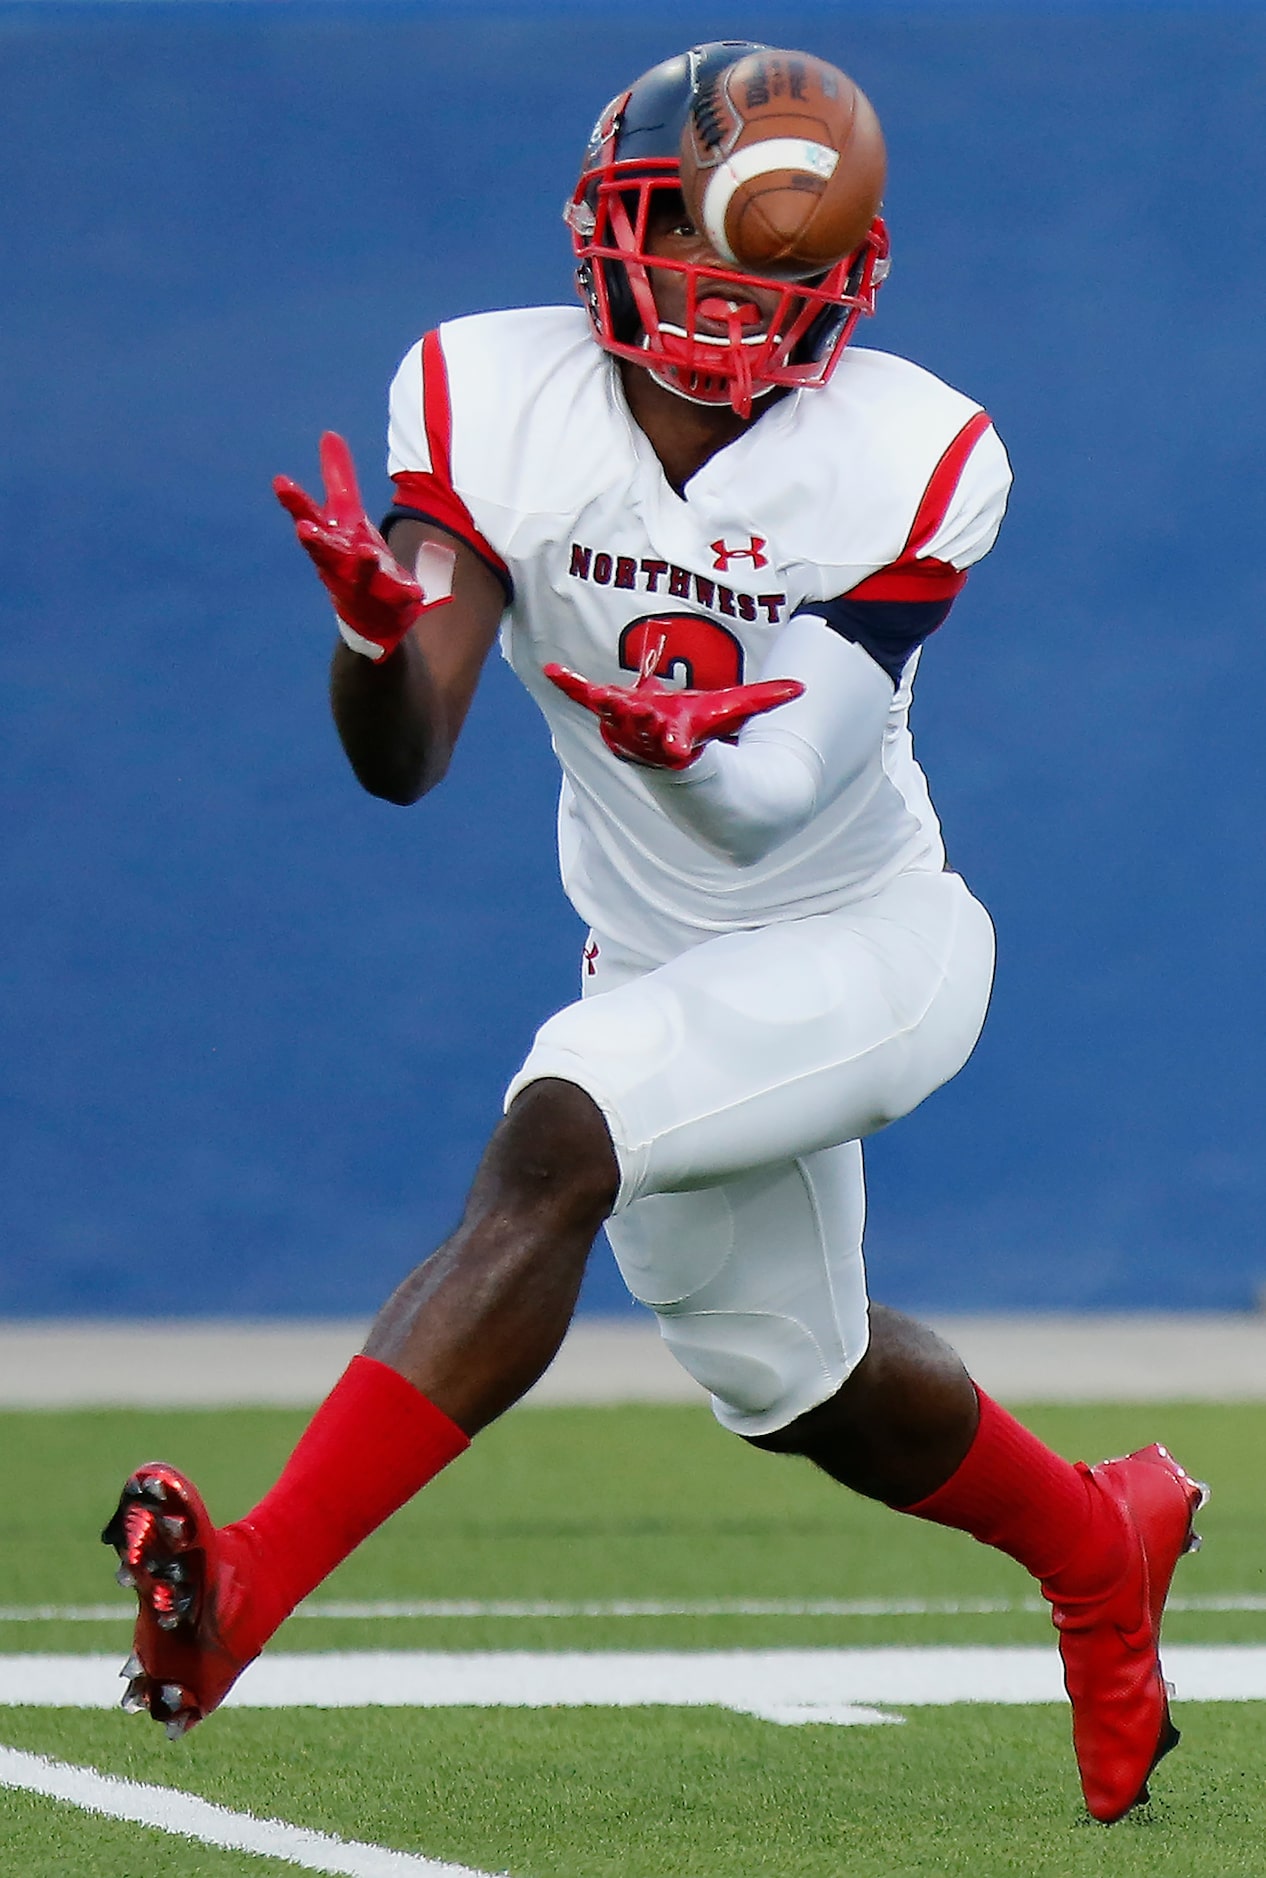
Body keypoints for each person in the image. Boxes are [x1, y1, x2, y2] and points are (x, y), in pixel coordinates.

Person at [103, 40, 1205, 1825]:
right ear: (602, 233)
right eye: (689, 251)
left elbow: (776, 797)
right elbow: (406, 763)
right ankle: (1099, 1538)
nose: (720, 303)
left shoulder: (914, 452)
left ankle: (242, 1594)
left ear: (837, 280)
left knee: (563, 1127)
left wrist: (687, 747)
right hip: (669, 969)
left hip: (872, 942)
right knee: (794, 1374)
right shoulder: (484, 396)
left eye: (766, 271)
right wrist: (380, 642)